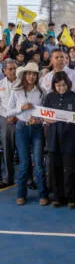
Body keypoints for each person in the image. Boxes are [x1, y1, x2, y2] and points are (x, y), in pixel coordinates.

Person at [42, 72, 75, 209]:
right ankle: (58, 197)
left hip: (71, 137)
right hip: (53, 137)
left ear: (68, 84)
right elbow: (44, 117)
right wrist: (49, 119)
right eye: (58, 85)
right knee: (55, 168)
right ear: (54, 85)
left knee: (71, 169)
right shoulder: (49, 97)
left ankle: (72, 198)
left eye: (64, 85)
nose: (61, 88)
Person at [9, 62, 48, 205]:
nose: (31, 76)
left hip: (37, 129)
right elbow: (9, 111)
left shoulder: (42, 92)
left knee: (38, 163)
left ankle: (43, 194)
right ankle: (21, 194)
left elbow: (46, 113)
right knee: (24, 163)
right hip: (22, 127)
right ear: (24, 75)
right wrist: (21, 108)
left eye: (34, 74)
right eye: (29, 74)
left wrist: (40, 121)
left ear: (37, 76)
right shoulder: (16, 90)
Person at [0, 60, 19, 188]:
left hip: (21, 119)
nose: (13, 71)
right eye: (10, 69)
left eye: (14, 69)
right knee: (7, 150)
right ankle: (8, 178)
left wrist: (16, 116)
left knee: (24, 150)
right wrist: (8, 116)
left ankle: (28, 179)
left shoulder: (23, 83)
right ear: (4, 71)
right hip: (5, 120)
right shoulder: (0, 84)